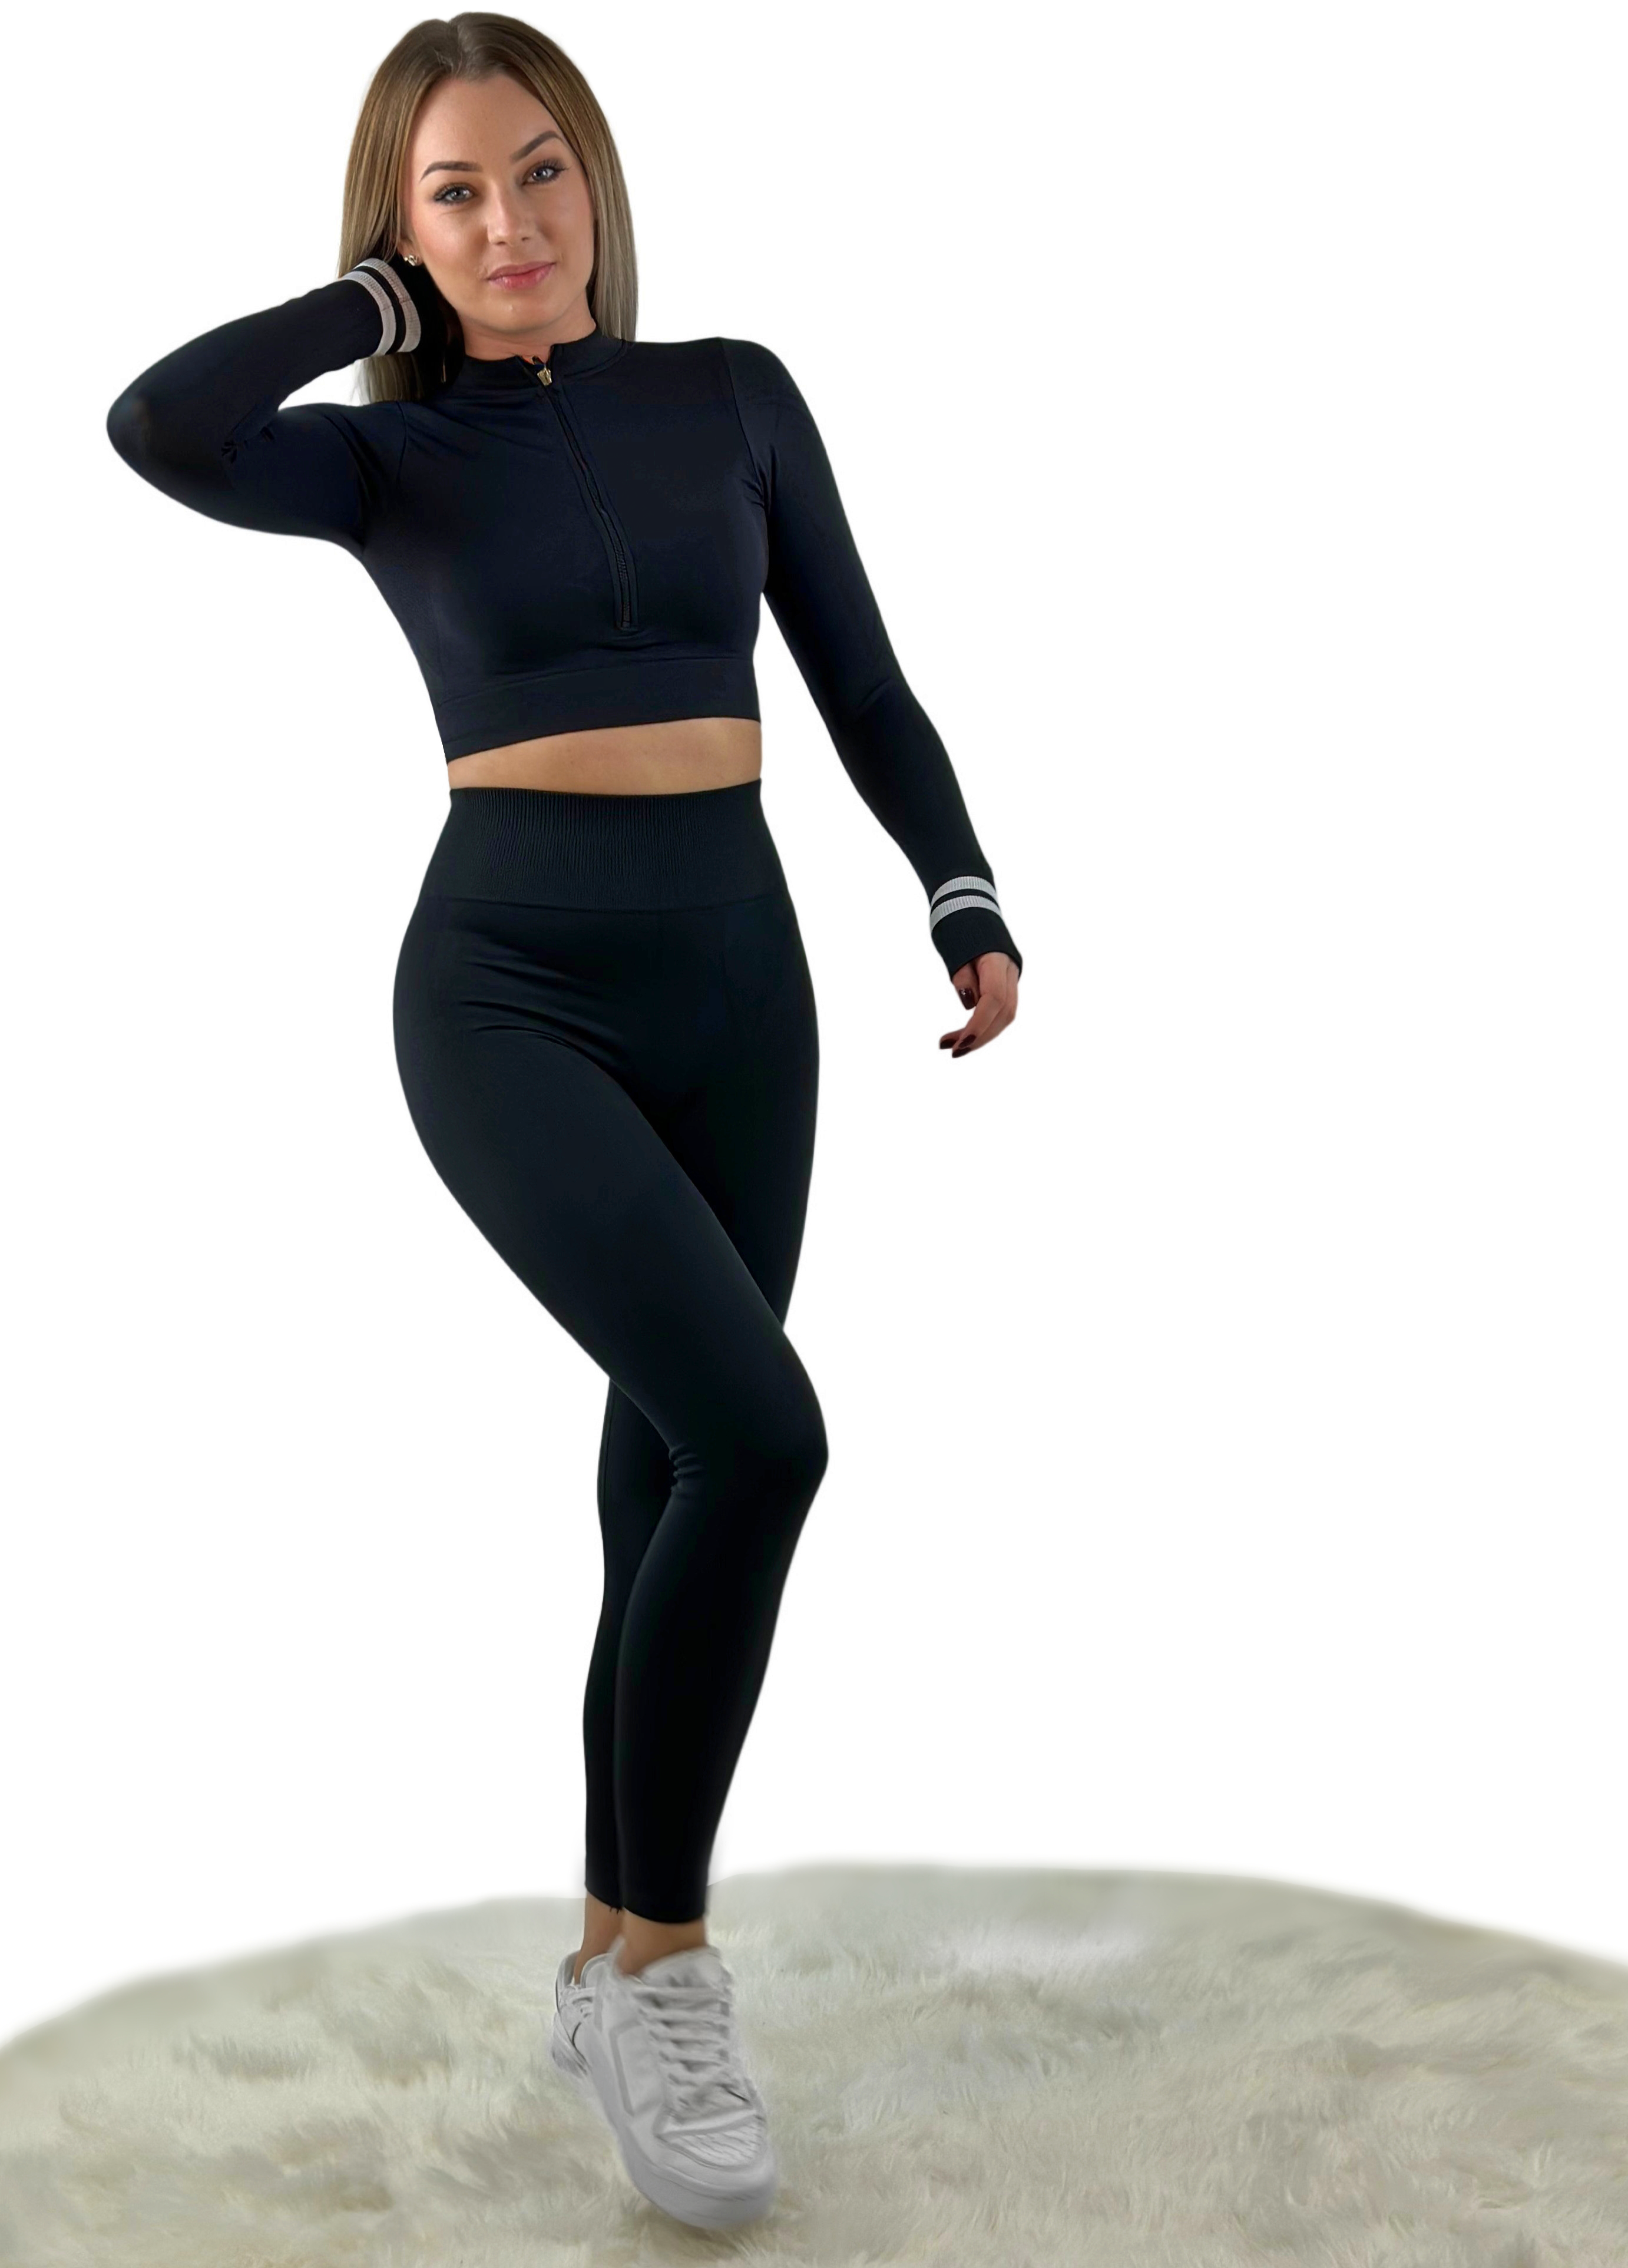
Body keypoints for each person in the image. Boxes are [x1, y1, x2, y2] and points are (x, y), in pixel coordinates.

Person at [105, 12, 1022, 2231]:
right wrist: (372, 313)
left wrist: (960, 887)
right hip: (506, 986)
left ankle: (613, 1957)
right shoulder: (379, 455)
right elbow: (157, 426)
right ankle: (675, 1969)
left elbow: (858, 675)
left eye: (538, 171)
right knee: (765, 1439)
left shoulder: (734, 393)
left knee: (670, 1474)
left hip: (742, 982)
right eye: (453, 193)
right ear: (399, 230)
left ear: (594, 178)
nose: (510, 219)